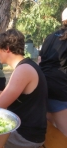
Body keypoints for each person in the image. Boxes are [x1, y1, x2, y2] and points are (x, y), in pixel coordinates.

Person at [38, 7, 67, 136]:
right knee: (64, 131)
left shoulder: (50, 37)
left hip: (43, 83)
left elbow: (40, 59)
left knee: (50, 129)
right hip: (60, 88)